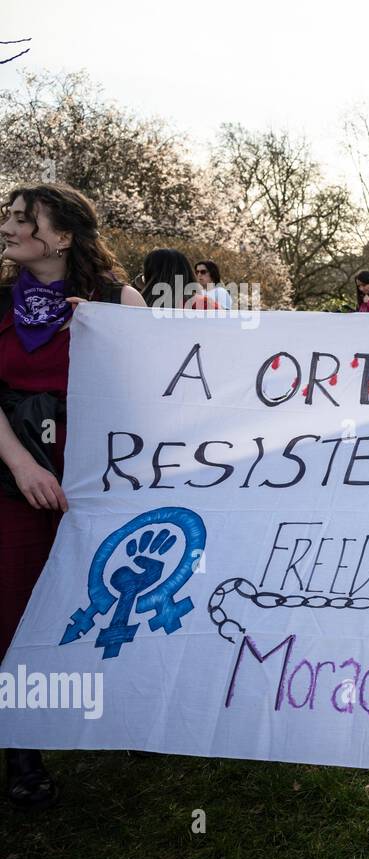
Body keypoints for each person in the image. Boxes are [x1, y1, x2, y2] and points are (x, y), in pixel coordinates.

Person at [0, 183, 146, 809]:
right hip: (16, 478)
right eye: (6, 215)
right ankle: (23, 751)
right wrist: (21, 463)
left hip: (101, 480)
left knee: (117, 595)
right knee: (14, 606)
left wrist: (106, 336)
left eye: (21, 218)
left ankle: (130, 717)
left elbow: (155, 391)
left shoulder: (119, 299)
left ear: (60, 236)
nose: (6, 225)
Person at [140, 249, 221, 310]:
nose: (199, 275)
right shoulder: (206, 304)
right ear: (187, 271)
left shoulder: (135, 303)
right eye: (197, 272)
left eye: (203, 272)